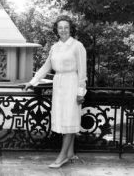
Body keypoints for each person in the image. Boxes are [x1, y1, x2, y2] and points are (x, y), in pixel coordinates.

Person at [23, 15, 87, 169]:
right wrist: (32, 82)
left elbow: (82, 70)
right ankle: (70, 153)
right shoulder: (55, 47)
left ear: (70, 29)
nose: (63, 30)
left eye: (66, 27)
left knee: (70, 119)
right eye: (60, 27)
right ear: (56, 30)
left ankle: (62, 156)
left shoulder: (77, 46)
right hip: (58, 85)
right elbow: (46, 67)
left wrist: (80, 92)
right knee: (63, 119)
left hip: (72, 83)